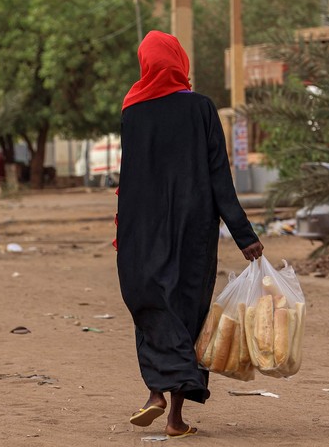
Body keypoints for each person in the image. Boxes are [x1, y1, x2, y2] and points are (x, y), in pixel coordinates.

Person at [115, 31, 264, 438]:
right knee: (188, 311)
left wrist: (123, 233)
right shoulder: (200, 107)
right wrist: (243, 234)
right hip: (193, 229)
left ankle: (154, 394)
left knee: (151, 307)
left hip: (141, 227)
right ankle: (175, 418)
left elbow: (129, 179)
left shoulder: (133, 111)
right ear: (179, 61)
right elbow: (219, 175)